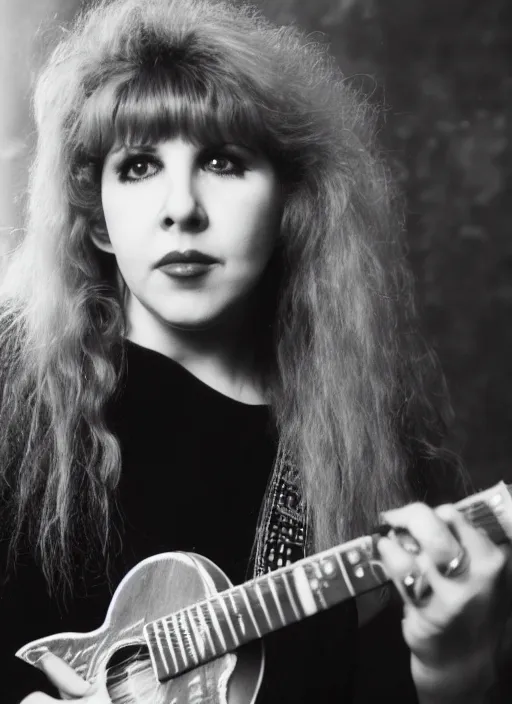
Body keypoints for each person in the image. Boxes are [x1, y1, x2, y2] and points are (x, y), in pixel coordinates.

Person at [0, 0, 510, 702]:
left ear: (290, 206)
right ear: (99, 222)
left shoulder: (376, 449)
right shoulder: (10, 393)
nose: (182, 206)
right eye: (140, 165)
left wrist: (456, 667)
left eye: (222, 160)